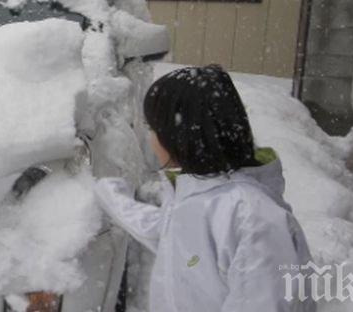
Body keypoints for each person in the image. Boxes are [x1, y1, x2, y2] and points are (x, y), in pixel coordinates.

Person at [95, 64, 315, 311]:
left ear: (180, 133)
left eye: (152, 128)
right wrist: (112, 198)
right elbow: (171, 235)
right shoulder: (200, 196)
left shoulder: (252, 219)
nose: (150, 138)